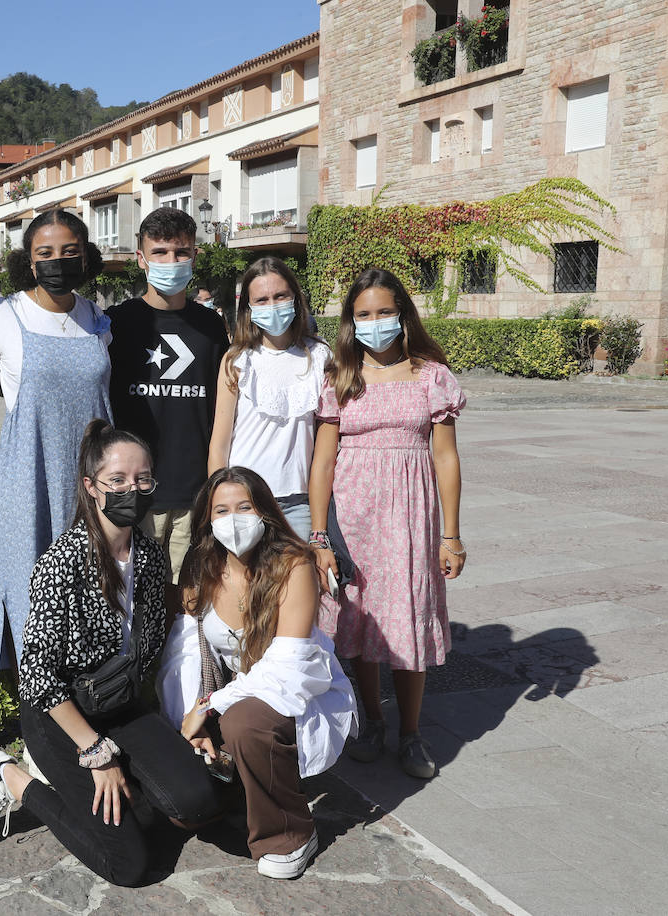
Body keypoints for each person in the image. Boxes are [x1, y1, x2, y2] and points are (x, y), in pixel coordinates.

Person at [0, 420, 221, 886]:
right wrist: (98, 755)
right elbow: (37, 674)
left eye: (142, 480)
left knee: (198, 804)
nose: (131, 490)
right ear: (91, 487)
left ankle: (121, 790)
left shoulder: (151, 558)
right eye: (117, 480)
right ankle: (10, 776)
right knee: (130, 865)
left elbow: (158, 640)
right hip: (63, 713)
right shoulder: (63, 563)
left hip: (122, 705)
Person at [161, 466, 357, 879]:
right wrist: (189, 717)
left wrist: (212, 706)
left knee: (245, 723)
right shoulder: (203, 567)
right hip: (228, 693)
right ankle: (243, 785)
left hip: (293, 688)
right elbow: (185, 653)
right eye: (221, 510)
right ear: (207, 520)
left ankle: (292, 835)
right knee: (186, 807)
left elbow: (287, 665)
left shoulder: (294, 565)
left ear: (264, 511)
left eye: (244, 507)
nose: (233, 520)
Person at [309, 268, 467, 780]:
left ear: (402, 315)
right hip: (354, 515)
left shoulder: (431, 376)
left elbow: (445, 458)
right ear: (350, 322)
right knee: (359, 618)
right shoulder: (341, 377)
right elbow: (323, 463)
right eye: (363, 315)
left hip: (411, 516)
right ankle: (372, 719)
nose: (374, 323)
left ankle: (412, 733)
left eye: (383, 312)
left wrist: (452, 535)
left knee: (407, 615)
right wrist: (318, 533)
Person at [0, 209, 112, 686]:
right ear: (29, 261)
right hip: (29, 477)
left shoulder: (99, 320)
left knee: (89, 586)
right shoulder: (3, 315)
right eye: (45, 253)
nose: (58, 261)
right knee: (30, 586)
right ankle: (37, 703)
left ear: (86, 255)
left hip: (94, 480)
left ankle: (89, 689)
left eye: (69, 252)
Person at [106, 207, 229, 608]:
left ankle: (178, 674)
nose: (170, 262)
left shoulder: (211, 327)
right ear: (140, 259)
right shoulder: (116, 324)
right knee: (128, 601)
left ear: (195, 256)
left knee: (186, 604)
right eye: (159, 252)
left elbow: (223, 409)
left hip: (193, 492)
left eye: (181, 253)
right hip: (133, 491)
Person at [207, 257, 329, 540]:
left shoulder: (321, 356)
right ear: (248, 308)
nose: (272, 305)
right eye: (261, 300)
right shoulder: (237, 360)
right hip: (244, 500)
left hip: (300, 504)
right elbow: (220, 443)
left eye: (280, 296)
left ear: (295, 299)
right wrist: (218, 504)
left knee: (301, 582)